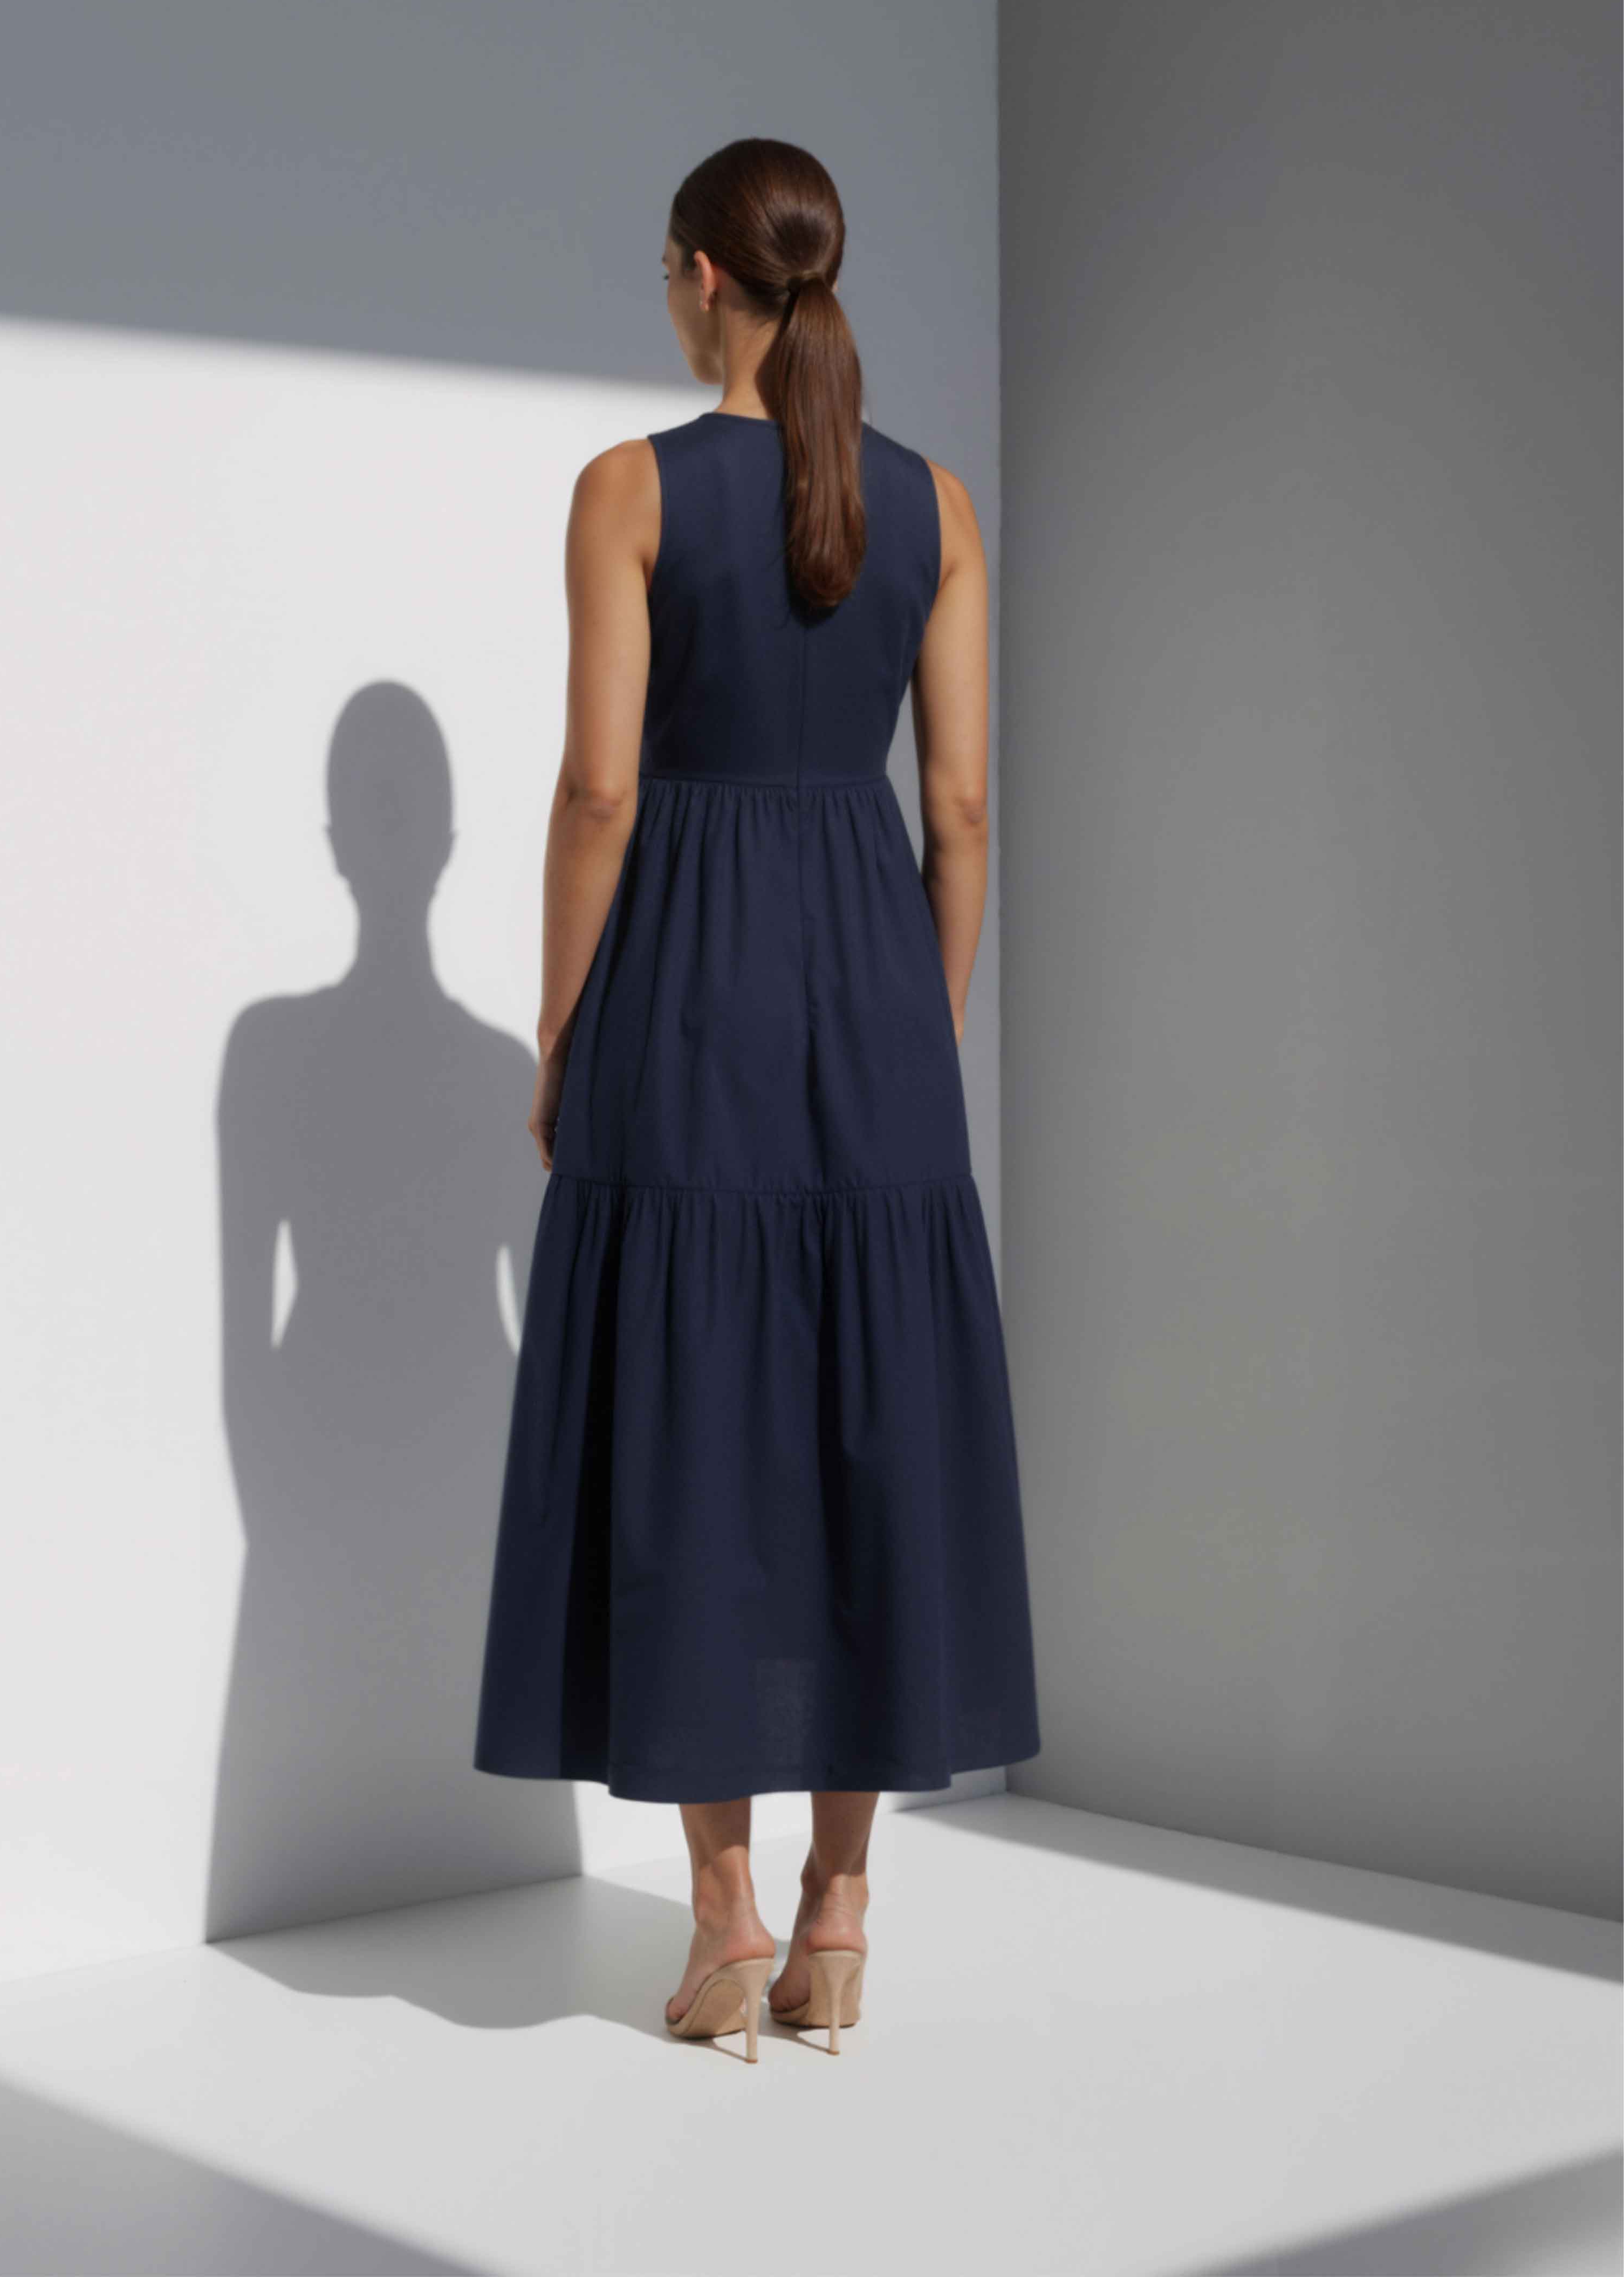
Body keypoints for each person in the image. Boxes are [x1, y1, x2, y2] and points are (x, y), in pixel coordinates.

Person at [474, 137, 1039, 2061]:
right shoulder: (939, 503)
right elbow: (959, 809)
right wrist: (923, 1020)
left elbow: (601, 794)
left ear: (703, 278)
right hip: (872, 991)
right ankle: (843, 1909)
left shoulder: (629, 489)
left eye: (663, 267)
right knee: (870, 1424)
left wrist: (563, 1027)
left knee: (697, 1424)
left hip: (686, 993)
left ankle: (719, 1917)